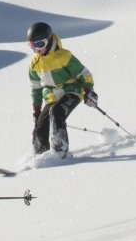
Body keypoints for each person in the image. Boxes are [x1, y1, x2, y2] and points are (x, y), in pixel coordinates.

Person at [24, 20, 98, 161]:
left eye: (40, 44)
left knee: (56, 112)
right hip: (52, 98)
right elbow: (36, 89)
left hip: (72, 92)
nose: (36, 49)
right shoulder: (34, 65)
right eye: (32, 45)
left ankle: (60, 152)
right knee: (40, 126)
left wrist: (89, 91)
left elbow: (85, 75)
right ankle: (40, 155)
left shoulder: (64, 56)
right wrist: (37, 110)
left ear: (49, 40)